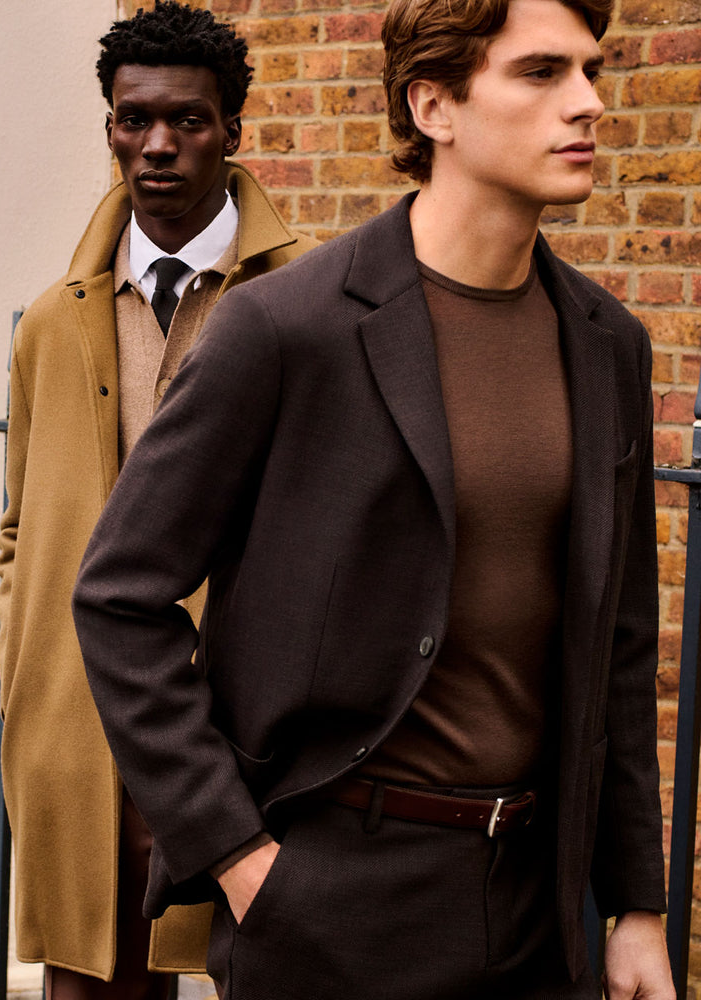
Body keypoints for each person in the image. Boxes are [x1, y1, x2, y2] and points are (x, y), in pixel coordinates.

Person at [71, 0, 676, 996]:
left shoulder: (607, 341)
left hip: (535, 906)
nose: (586, 104)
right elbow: (117, 595)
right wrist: (238, 855)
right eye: (540, 73)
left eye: (590, 71)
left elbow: (618, 643)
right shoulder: (288, 326)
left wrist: (635, 904)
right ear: (432, 106)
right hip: (328, 898)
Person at [0, 3, 315, 997]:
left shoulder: (309, 306)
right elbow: (19, 528)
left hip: (245, 735)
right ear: (111, 128)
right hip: (80, 732)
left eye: (187, 119)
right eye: (134, 120)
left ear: (231, 129)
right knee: (92, 986)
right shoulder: (51, 323)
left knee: (268, 975)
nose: (158, 145)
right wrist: (25, 668)